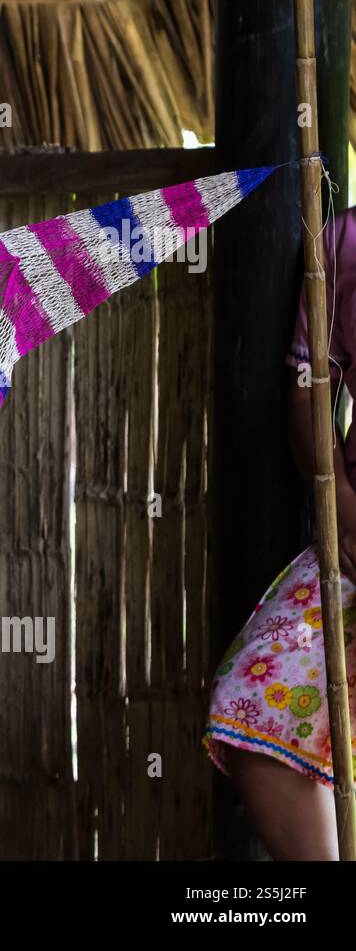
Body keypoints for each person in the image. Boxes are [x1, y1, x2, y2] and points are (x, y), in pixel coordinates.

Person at [204, 205, 356, 860]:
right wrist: (342, 503)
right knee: (248, 704)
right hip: (355, 542)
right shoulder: (344, 242)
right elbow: (306, 386)